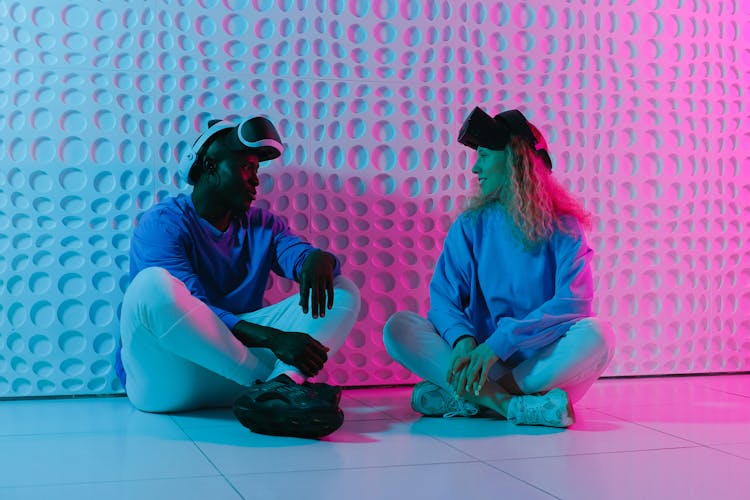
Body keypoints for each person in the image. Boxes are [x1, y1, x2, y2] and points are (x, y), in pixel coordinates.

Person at [116, 116, 361, 433]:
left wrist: (317, 258)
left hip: (234, 376)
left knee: (342, 289)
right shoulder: (164, 223)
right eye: (246, 167)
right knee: (150, 287)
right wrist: (273, 339)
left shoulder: (263, 224)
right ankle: (270, 386)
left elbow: (295, 255)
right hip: (168, 380)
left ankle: (281, 385)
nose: (255, 180)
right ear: (209, 165)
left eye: (257, 170)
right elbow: (194, 305)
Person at [383, 107, 615, 427]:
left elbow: (572, 304)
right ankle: (512, 406)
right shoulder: (470, 225)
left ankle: (472, 398)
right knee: (399, 328)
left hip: (539, 368)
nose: (476, 168)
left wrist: (501, 343)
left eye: (483, 155)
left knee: (597, 335)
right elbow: (444, 299)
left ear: (514, 160)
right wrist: (463, 340)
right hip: (480, 362)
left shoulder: (564, 227)